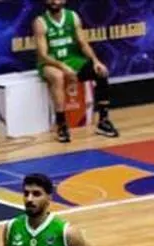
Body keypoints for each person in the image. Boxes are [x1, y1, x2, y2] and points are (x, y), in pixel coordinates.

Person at [33, 0, 118, 142]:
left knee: (101, 72)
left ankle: (103, 121)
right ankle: (61, 125)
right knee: (58, 76)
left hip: (73, 60)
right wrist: (62, 66)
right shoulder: (40, 22)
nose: (54, 2)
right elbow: (43, 55)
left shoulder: (73, 16)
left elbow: (83, 44)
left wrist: (95, 61)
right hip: (50, 63)